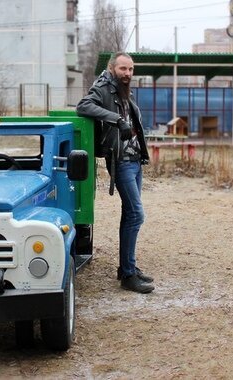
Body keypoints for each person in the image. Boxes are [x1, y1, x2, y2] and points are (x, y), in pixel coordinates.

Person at [76, 52, 154, 294]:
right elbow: (83, 106)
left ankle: (126, 269)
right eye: (123, 69)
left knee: (129, 215)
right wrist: (115, 119)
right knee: (136, 215)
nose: (127, 73)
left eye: (130, 69)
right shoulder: (103, 86)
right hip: (120, 161)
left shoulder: (122, 89)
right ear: (112, 68)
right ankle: (128, 275)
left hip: (134, 160)